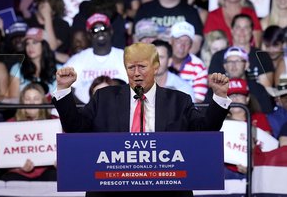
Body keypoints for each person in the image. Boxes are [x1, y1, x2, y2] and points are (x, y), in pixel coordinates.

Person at [52, 42, 231, 197]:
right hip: (112, 191)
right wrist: (63, 90)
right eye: (131, 67)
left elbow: (206, 133)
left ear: (156, 67)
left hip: (166, 191)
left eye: (142, 67)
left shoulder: (179, 101)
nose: (136, 73)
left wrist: (220, 97)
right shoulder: (103, 98)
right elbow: (75, 130)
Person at [64, 13, 128, 104]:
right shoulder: (77, 60)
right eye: (95, 30)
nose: (100, 32)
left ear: (111, 31)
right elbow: (65, 89)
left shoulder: (125, 57)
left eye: (103, 28)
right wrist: (86, 109)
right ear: (89, 35)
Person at [1, 83, 57, 181]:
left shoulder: (55, 122)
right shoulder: (9, 125)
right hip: (19, 173)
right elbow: (4, 155)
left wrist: (61, 162)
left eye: (36, 99)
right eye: (27, 99)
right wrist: (18, 166)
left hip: (48, 171)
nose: (32, 102)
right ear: (22, 102)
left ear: (42, 101)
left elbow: (66, 150)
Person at [8, 27, 60, 101]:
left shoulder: (60, 70)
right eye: (27, 43)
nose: (30, 47)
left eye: (34, 42)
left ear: (44, 45)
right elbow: (13, 101)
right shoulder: (17, 69)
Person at [168, 21, 208, 103]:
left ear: (191, 45)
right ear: (171, 41)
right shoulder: (160, 61)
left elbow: (198, 101)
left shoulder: (199, 67)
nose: (182, 46)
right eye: (179, 41)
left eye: (187, 42)